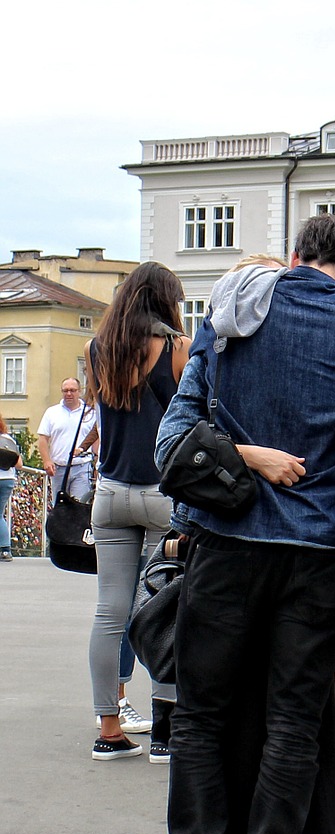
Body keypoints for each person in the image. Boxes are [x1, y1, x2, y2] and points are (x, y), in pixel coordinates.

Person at [156, 214, 335, 834]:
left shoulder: (231, 309)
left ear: (294, 258)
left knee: (202, 710)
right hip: (315, 545)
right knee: (293, 718)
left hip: (227, 539)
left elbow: (186, 417)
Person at [85, 262, 191, 762]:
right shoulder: (174, 348)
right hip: (160, 493)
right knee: (162, 607)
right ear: (166, 298)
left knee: (110, 612)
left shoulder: (98, 347)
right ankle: (166, 732)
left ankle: (108, 729)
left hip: (109, 492)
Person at [37, 378, 97, 503]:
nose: (69, 394)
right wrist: (47, 461)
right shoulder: (52, 412)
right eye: (65, 391)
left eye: (72, 390)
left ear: (79, 392)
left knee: (79, 506)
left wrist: (97, 463)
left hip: (81, 466)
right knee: (59, 507)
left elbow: (95, 439)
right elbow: (43, 439)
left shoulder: (89, 413)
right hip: (58, 468)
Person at [0, 413, 23, 560]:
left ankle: (5, 548)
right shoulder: (8, 440)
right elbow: (19, 464)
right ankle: (5, 548)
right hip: (7, 479)